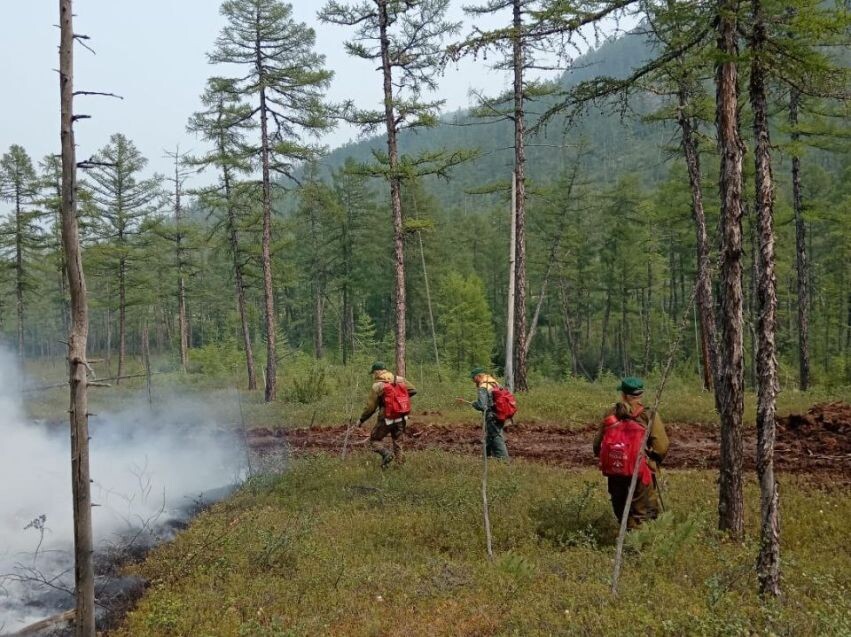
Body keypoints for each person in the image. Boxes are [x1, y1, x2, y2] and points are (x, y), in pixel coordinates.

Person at [593, 376, 668, 529]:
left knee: (622, 511)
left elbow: (597, 445)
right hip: (641, 471)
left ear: (623, 395)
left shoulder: (611, 413)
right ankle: (638, 541)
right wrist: (653, 461)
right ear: (641, 394)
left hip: (616, 469)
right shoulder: (648, 414)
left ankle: (627, 534)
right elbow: (662, 446)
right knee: (643, 513)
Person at [358, 361, 416, 468]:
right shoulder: (400, 379)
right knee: (398, 442)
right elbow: (413, 390)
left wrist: (361, 420)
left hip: (386, 417)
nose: (373, 375)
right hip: (401, 416)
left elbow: (370, 408)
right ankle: (400, 467)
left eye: (373, 373)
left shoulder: (377, 385)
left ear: (377, 372)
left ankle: (386, 454)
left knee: (374, 440)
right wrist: (399, 400)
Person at [467, 367, 509, 459]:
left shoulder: (483, 387)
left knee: (496, 437)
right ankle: (486, 457)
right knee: (490, 436)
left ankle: (504, 460)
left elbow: (482, 405)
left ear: (478, 376)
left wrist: (474, 404)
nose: (472, 380)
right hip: (500, 414)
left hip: (491, 416)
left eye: (473, 377)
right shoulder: (493, 382)